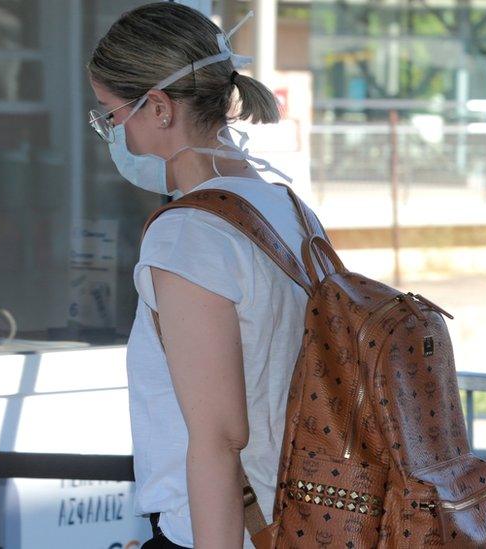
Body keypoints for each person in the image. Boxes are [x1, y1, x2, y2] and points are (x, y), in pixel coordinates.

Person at [87, 3, 328, 548]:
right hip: (303, 517)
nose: (112, 133)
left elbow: (220, 438)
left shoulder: (188, 234)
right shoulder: (288, 208)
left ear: (159, 107)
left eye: (111, 113)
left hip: (222, 532)